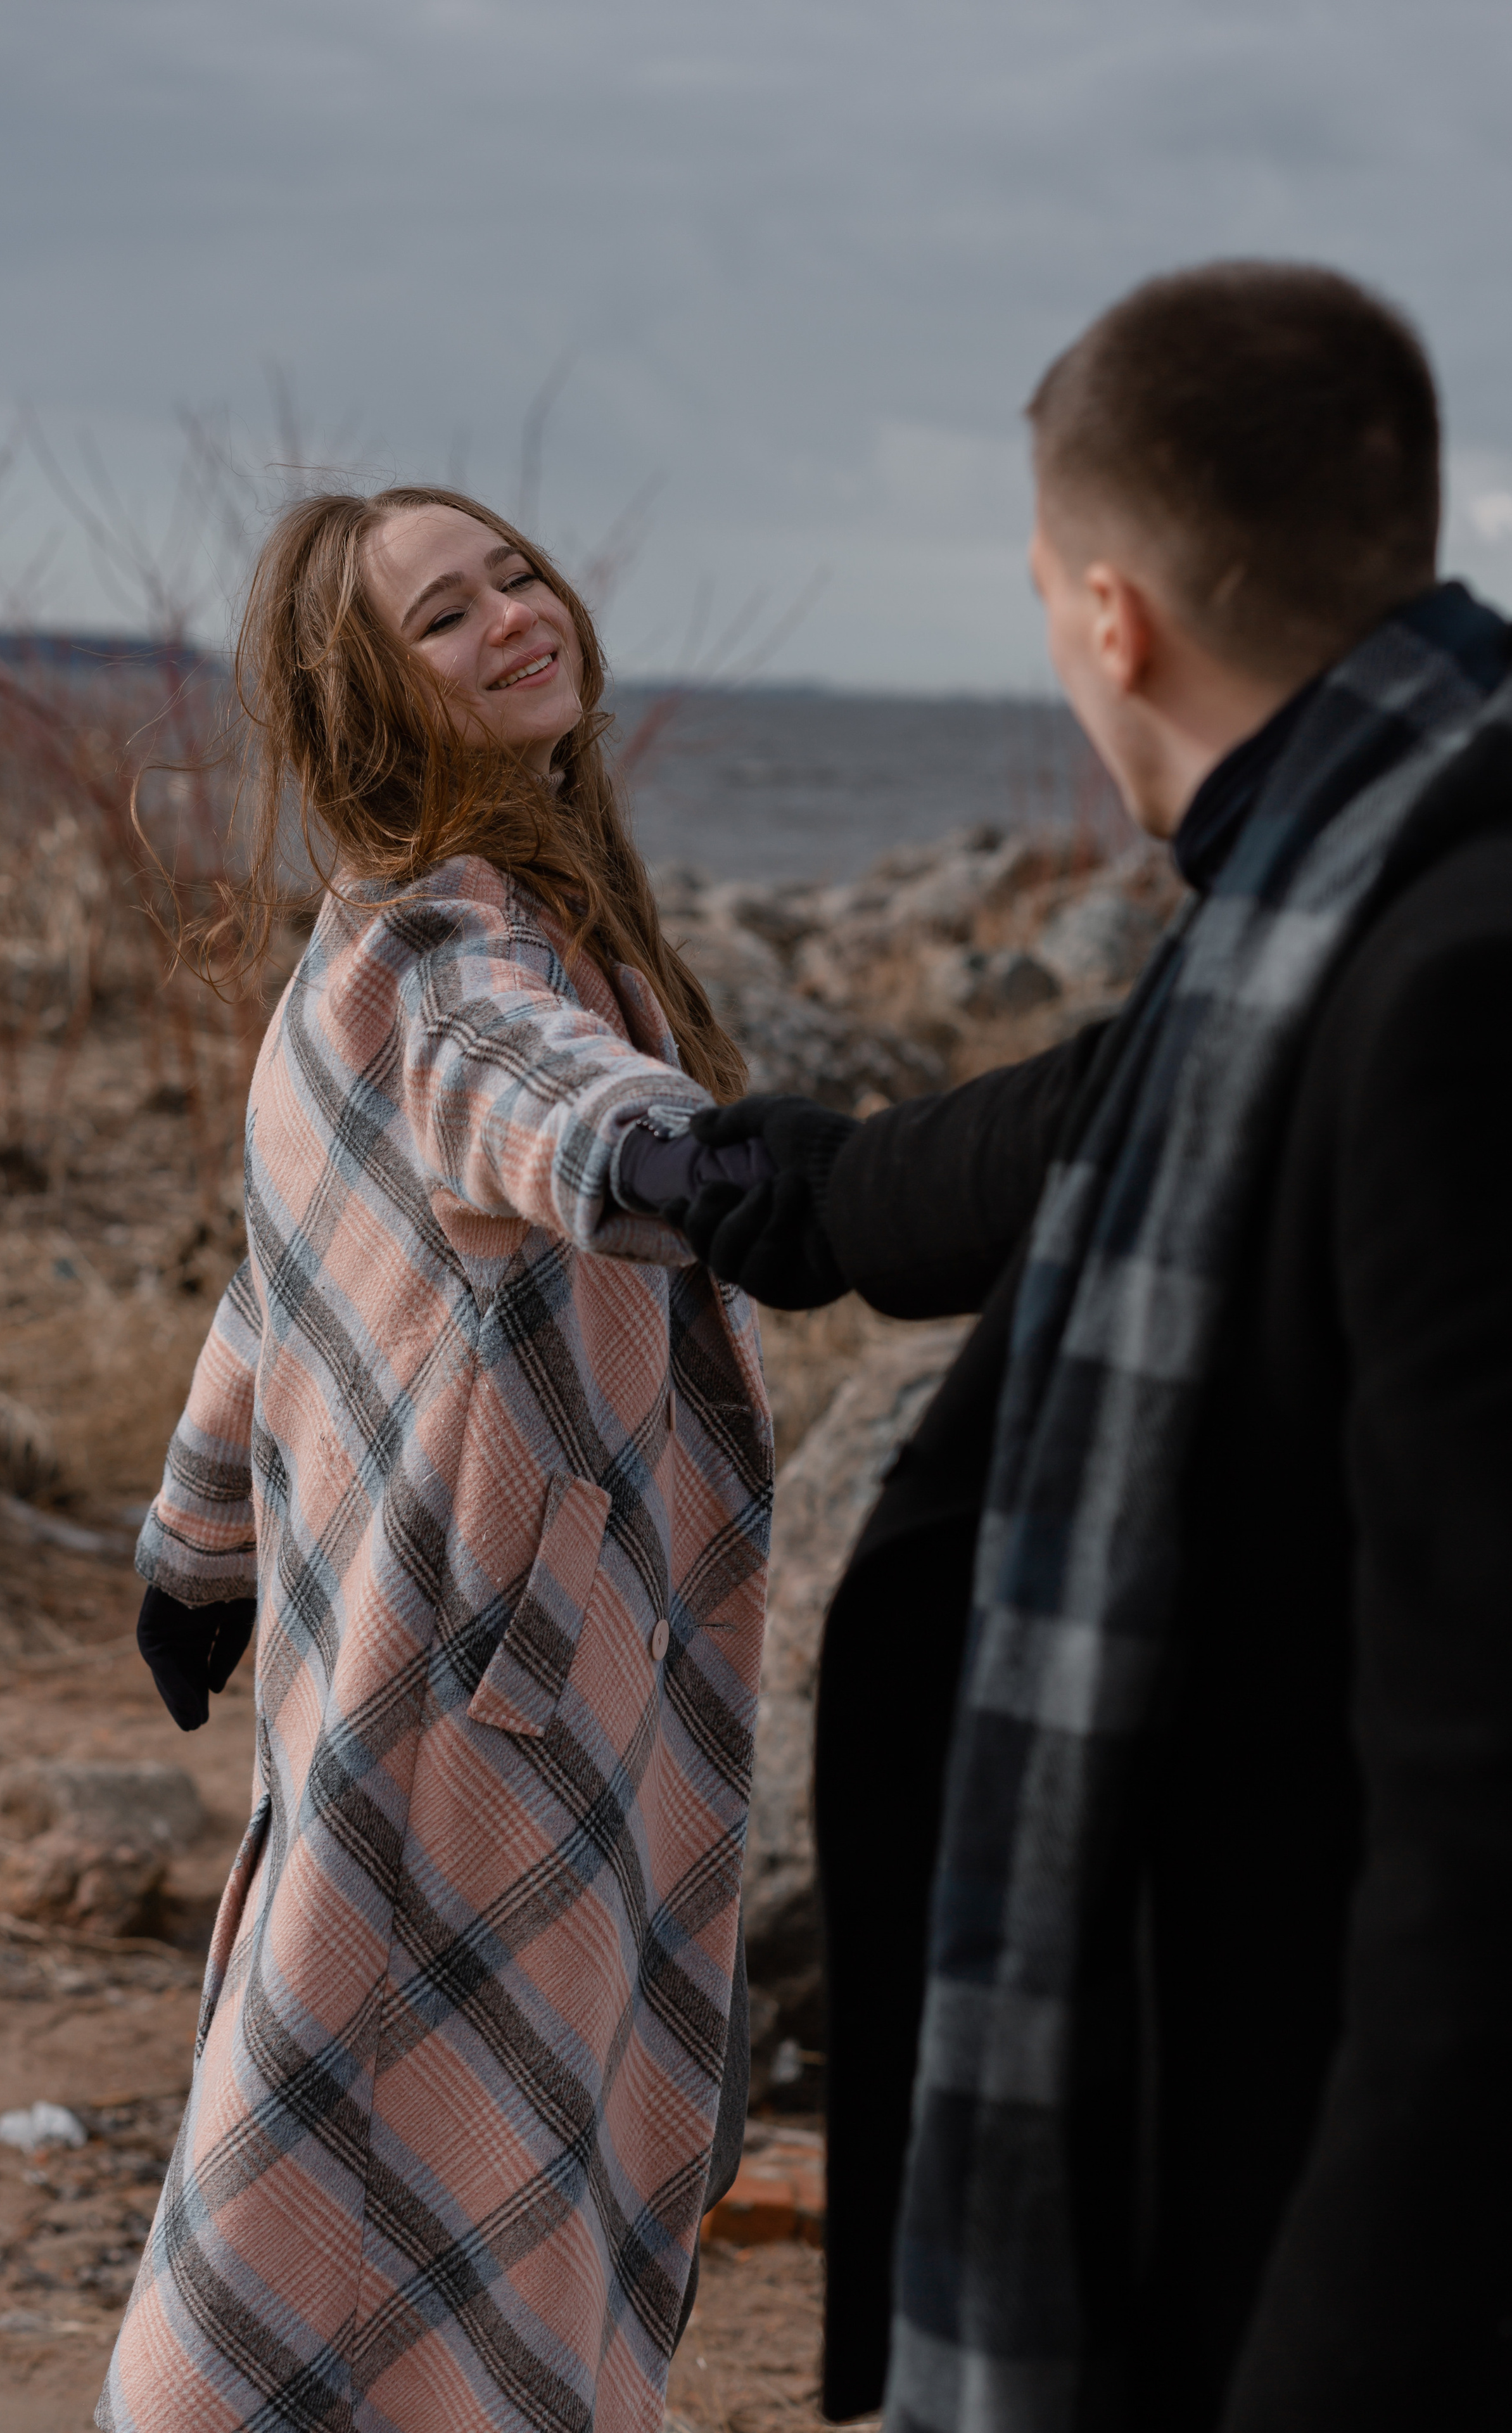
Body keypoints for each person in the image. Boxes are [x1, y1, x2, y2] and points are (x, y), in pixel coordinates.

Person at [677, 264, 1512, 2429]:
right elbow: (1090, 1104)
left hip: (1334, 2250)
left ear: (1110, 615)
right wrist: (800, 1197)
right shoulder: (1379, 872)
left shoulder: (1448, 992)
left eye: (1051, 597)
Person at [98, 487, 777, 2433]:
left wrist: (196, 1539)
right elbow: (531, 1100)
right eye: (442, 615)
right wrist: (692, 1166)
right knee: (377, 2208)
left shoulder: (466, 931)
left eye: (516, 576)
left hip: (466, 1675)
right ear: (366, 699)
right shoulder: (435, 951)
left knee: (434, 2199)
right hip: (486, 1710)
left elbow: (276, 1285)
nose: (510, 618)